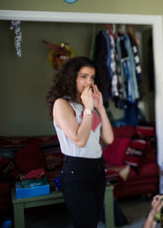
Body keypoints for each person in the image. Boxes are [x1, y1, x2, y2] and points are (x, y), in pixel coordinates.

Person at [46, 56, 114, 228]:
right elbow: (79, 140)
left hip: (97, 168)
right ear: (72, 77)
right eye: (83, 76)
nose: (89, 82)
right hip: (77, 170)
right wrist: (89, 109)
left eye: (92, 77)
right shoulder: (62, 104)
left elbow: (108, 138)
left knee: (93, 222)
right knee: (85, 224)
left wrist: (100, 107)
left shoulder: (87, 104)